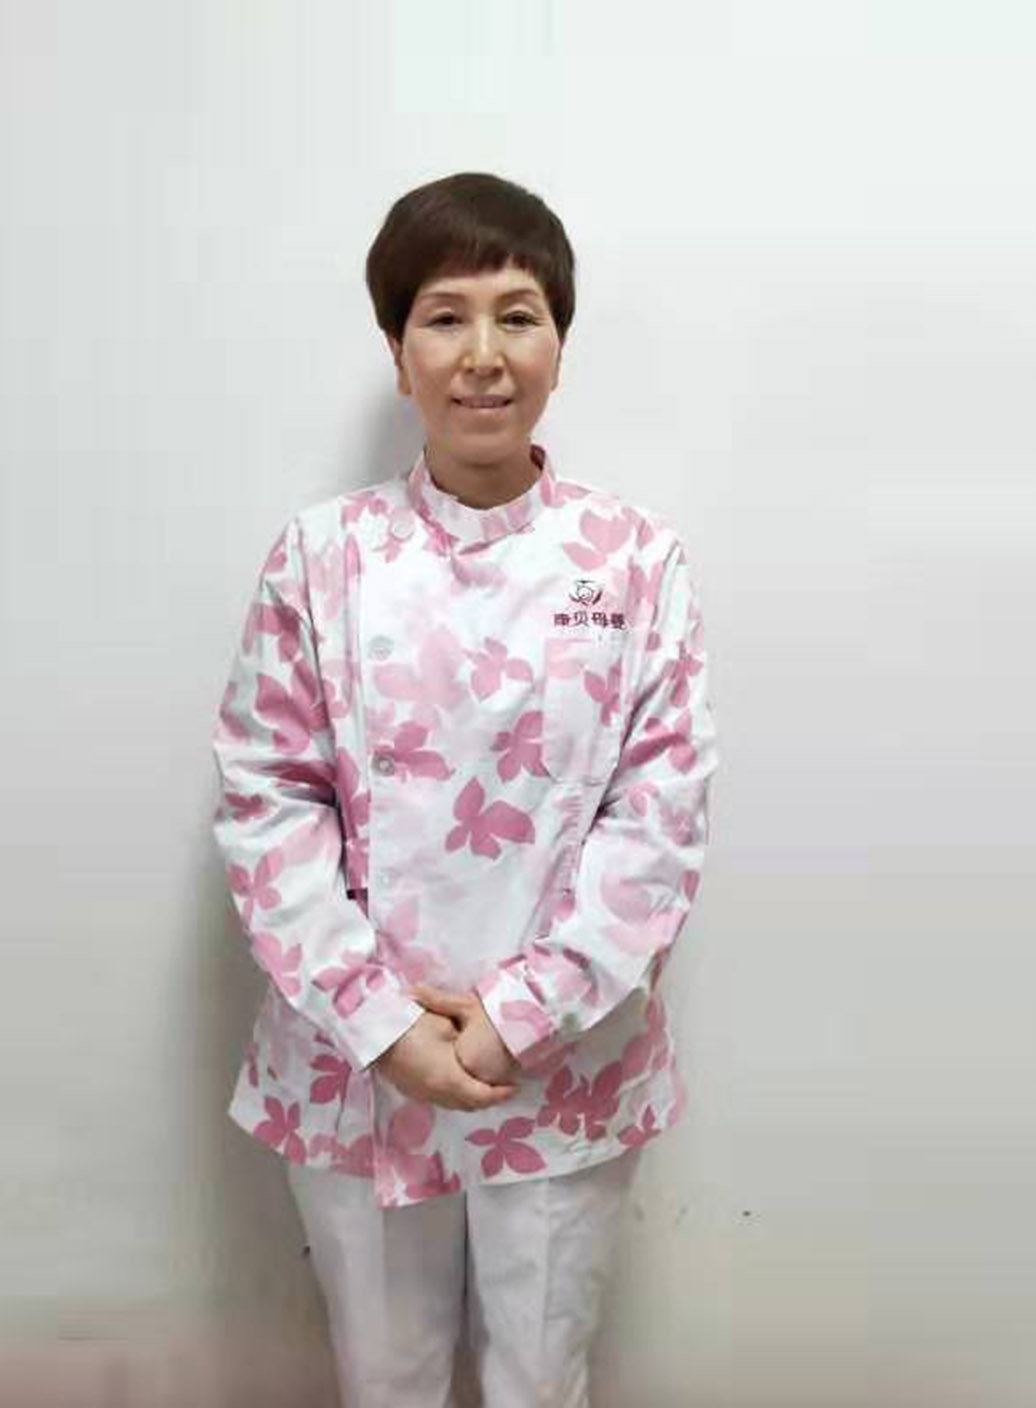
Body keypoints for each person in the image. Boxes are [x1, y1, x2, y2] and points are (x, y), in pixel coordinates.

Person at [209, 170, 720, 1408]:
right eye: (444, 317)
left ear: (559, 347)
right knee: (384, 1378)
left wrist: (515, 1016)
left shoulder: (635, 562)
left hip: (564, 1060)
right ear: (397, 353)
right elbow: (268, 802)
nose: (483, 354)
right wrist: (385, 1024)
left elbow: (658, 821)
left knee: (540, 1377)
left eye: (517, 315)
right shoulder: (320, 559)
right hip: (354, 1063)